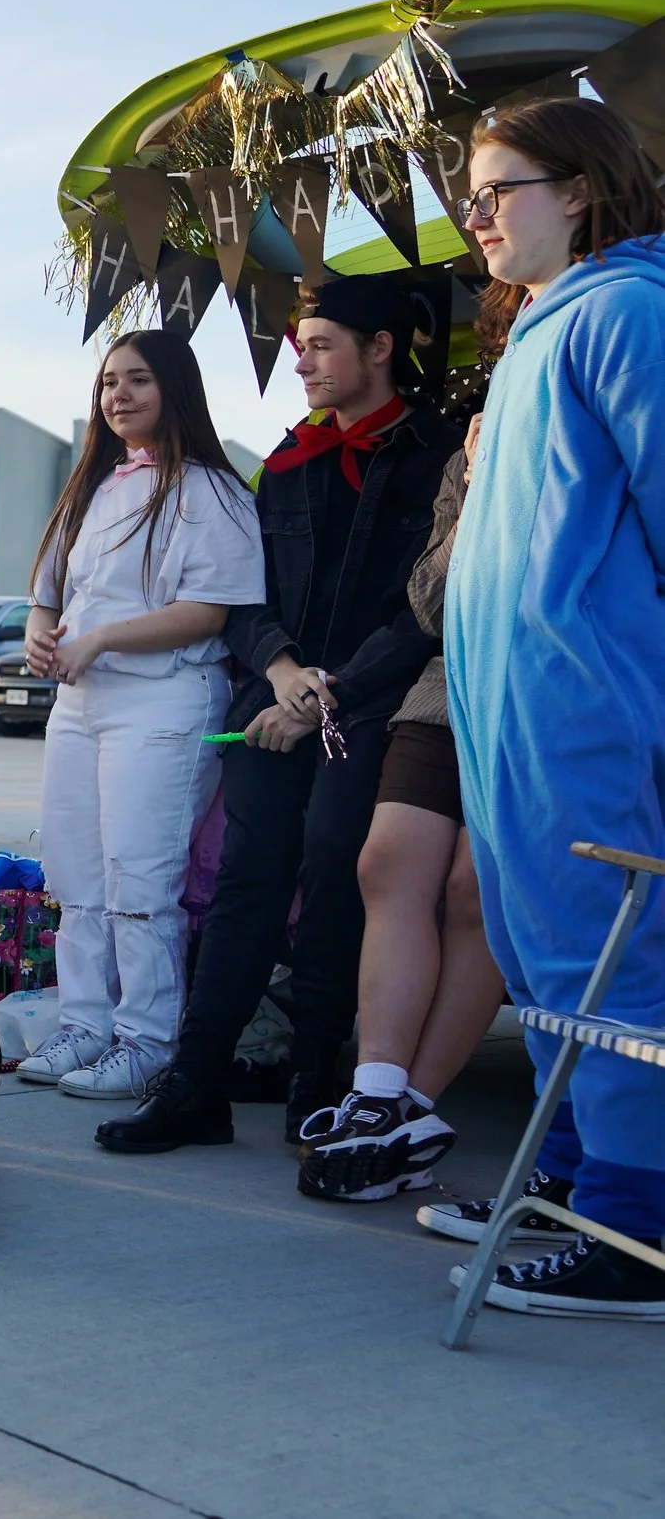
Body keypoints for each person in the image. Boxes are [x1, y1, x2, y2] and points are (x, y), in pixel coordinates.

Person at [98, 274, 460, 1154]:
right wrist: (286, 672)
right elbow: (242, 594)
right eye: (299, 343)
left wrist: (327, 695)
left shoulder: (440, 454)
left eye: (322, 343)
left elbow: (426, 609)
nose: (301, 359)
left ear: (381, 349)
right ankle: (196, 1081)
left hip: (372, 704)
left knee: (339, 859)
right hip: (277, 695)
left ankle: (314, 1077)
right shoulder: (289, 460)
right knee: (245, 880)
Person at [441, 96, 665, 1319]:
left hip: (581, 693)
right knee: (533, 948)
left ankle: (632, 1231)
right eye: (467, 196)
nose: (473, 215)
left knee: (604, 951)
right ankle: (563, 1182)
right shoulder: (534, 329)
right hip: (502, 694)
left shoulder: (627, 311)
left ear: (577, 189)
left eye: (496, 189)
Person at [12, 330, 261, 1100]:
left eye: (138, 380)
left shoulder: (213, 490)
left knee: (140, 877)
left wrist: (105, 639)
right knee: (78, 874)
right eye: (109, 382)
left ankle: (147, 1040)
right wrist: (39, 632)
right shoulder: (94, 486)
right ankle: (84, 1023)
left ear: (175, 388)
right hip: (82, 704)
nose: (118, 395)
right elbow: (48, 593)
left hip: (163, 702)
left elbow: (212, 612)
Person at [294, 413, 503, 1201]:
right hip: (447, 687)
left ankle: (410, 1115)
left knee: (472, 893)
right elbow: (431, 600)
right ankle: (375, 1090)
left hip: (543, 691)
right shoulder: (472, 453)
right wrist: (481, 490)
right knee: (386, 864)